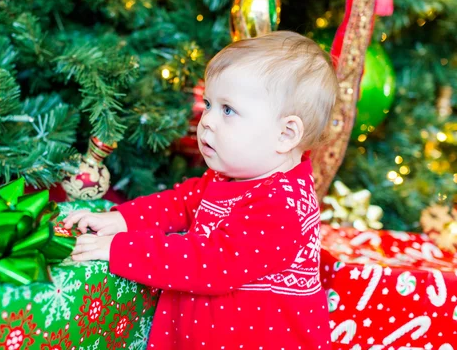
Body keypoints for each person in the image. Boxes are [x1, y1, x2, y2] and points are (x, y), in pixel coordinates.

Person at [63, 31, 337, 349]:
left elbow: (212, 262)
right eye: (209, 104)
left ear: (285, 134)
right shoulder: (232, 176)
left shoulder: (282, 206)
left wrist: (122, 249)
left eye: (228, 110)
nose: (207, 120)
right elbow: (182, 202)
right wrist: (126, 219)